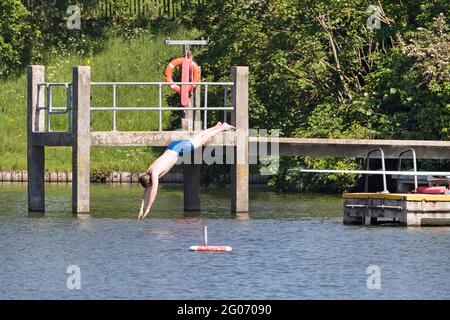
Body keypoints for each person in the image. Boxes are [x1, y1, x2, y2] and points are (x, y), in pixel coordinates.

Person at [137, 122, 235, 220]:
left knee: (202, 140)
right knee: (199, 137)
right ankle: (217, 126)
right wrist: (141, 209)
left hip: (178, 150)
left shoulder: (154, 174)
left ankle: (222, 128)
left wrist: (149, 207)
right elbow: (147, 191)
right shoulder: (150, 170)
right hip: (172, 147)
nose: (149, 187)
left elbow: (153, 191)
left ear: (150, 181)